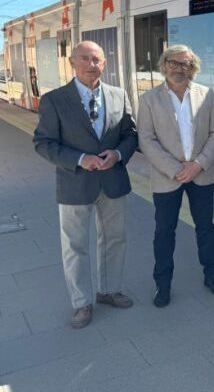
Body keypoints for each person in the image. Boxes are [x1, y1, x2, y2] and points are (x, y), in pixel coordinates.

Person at [32, 41, 137, 329]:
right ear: (71, 62)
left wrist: (118, 154)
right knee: (75, 246)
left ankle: (109, 290)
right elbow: (43, 143)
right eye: (85, 59)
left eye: (97, 59)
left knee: (115, 239)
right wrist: (80, 159)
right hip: (75, 183)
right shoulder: (54, 100)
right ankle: (81, 303)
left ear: (105, 63)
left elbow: (130, 135)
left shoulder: (118, 95)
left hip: (113, 181)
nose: (92, 65)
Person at [137, 45, 214, 307]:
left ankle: (212, 275)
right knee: (164, 231)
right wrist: (177, 169)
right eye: (173, 63)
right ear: (164, 65)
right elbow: (146, 139)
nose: (179, 68)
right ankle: (162, 284)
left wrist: (197, 165)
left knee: (206, 227)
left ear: (192, 68)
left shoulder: (206, 94)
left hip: (201, 174)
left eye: (185, 64)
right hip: (168, 177)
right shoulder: (149, 99)